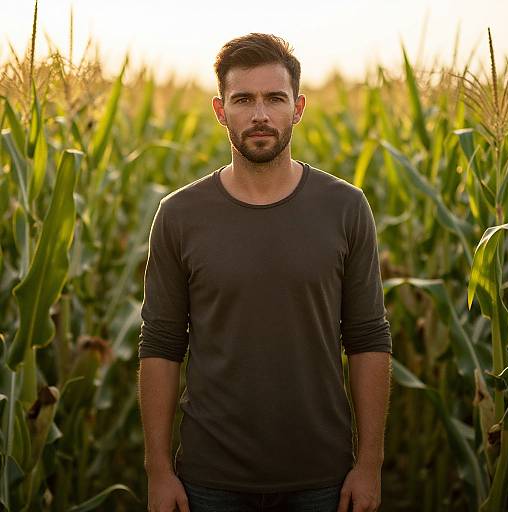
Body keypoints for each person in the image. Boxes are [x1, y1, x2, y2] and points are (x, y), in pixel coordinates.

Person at [137, 33, 392, 512]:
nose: (259, 115)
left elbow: (368, 338)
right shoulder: (179, 215)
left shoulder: (345, 208)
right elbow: (161, 344)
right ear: (220, 110)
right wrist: (158, 470)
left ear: (297, 108)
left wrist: (369, 464)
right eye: (243, 100)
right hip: (209, 482)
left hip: (323, 479)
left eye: (274, 99)